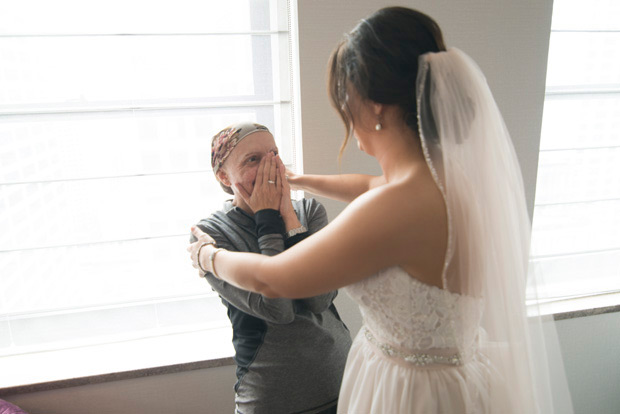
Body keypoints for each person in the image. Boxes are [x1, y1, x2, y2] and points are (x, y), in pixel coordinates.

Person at [189, 7, 572, 414]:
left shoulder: (393, 207)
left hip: (410, 394)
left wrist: (208, 256)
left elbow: (273, 280)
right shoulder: (446, 177)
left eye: (345, 103)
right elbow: (368, 185)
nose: (347, 121)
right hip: (456, 375)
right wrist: (297, 179)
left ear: (372, 107)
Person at [191, 122, 351, 414]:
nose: (270, 166)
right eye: (253, 159)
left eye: (274, 154)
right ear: (224, 175)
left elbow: (318, 300)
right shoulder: (210, 235)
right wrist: (267, 219)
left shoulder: (309, 212)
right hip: (273, 399)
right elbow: (278, 311)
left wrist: (288, 215)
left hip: (344, 384)